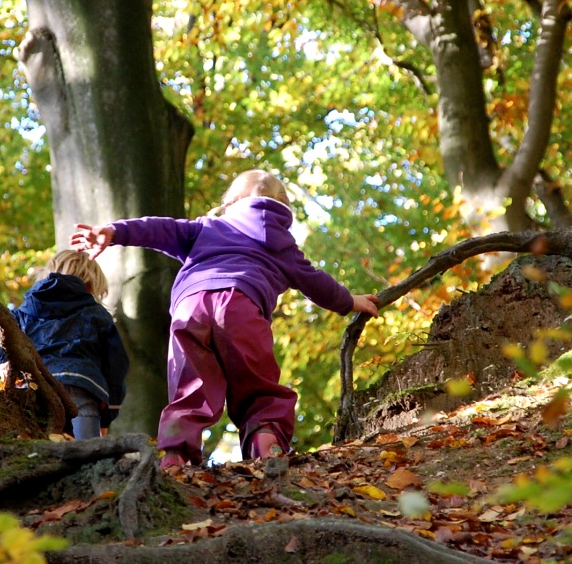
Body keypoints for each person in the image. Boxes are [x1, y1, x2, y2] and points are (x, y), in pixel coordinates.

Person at [71, 170, 379, 467]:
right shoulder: (282, 244)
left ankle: (177, 456)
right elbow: (316, 282)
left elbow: (159, 228)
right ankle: (265, 444)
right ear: (284, 209)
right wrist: (351, 301)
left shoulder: (207, 227)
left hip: (189, 308)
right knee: (258, 388)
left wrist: (114, 232)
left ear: (229, 203)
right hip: (241, 306)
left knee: (189, 389)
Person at [0, 250, 129, 440]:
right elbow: (116, 366)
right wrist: (108, 415)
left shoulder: (23, 312)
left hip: (33, 386)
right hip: (80, 387)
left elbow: (1, 347)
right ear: (90, 285)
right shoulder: (96, 314)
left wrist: (3, 367)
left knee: (33, 451)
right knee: (87, 455)